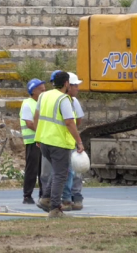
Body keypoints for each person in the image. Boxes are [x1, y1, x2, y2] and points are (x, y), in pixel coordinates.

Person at [35, 70, 84, 218]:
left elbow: (37, 116)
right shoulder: (63, 99)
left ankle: (46, 199)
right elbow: (69, 122)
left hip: (44, 141)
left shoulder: (44, 95)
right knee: (61, 174)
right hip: (59, 142)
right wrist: (79, 142)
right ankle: (55, 208)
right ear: (66, 83)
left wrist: (38, 136)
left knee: (57, 172)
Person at [20, 78, 45, 205]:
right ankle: (27, 195)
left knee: (43, 169)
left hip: (41, 140)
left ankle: (43, 194)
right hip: (32, 141)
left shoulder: (41, 103)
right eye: (41, 90)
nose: (44, 91)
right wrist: (42, 132)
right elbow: (29, 123)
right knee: (32, 169)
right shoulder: (27, 104)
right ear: (33, 91)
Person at [68, 73, 85, 211]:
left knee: (75, 170)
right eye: (75, 85)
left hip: (69, 141)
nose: (78, 88)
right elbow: (72, 122)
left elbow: (77, 121)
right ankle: (67, 197)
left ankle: (76, 196)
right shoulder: (62, 101)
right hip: (60, 142)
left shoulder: (74, 102)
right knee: (66, 171)